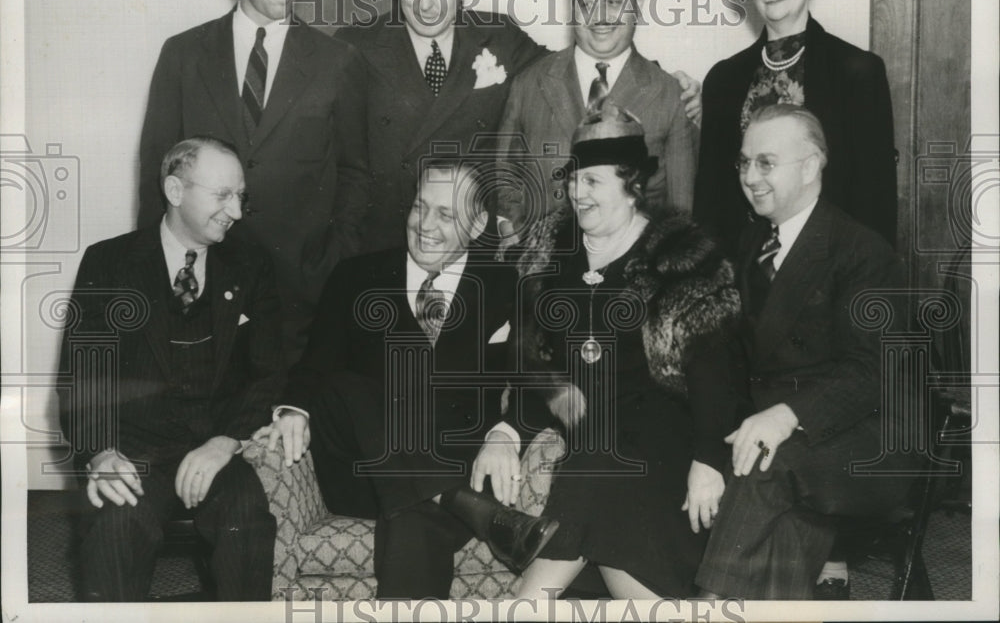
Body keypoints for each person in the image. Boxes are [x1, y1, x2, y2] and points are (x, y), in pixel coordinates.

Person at [473, 103, 742, 599]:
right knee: (595, 461)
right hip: (586, 428)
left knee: (597, 467)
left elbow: (714, 373)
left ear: (632, 184)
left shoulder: (682, 258)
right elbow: (538, 365)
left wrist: (708, 459)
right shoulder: (553, 252)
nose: (577, 193)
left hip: (663, 435)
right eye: (573, 180)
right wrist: (509, 427)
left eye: (593, 181)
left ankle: (528, 602)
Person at [261, 157, 558, 599]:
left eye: (445, 214)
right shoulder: (355, 276)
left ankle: (451, 498)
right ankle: (463, 503)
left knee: (413, 519)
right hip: (362, 471)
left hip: (461, 464)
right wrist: (293, 409)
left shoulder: (505, 284)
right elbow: (313, 367)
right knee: (344, 388)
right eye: (420, 207)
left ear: (478, 225)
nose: (425, 225)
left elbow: (542, 383)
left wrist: (506, 433)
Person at [694, 104, 914, 600]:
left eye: (766, 163)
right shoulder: (751, 243)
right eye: (744, 163)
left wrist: (787, 415)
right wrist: (706, 450)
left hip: (868, 438)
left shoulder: (862, 252)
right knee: (780, 504)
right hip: (791, 439)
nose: (750, 178)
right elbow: (725, 356)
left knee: (763, 464)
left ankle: (709, 604)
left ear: (811, 167)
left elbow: (872, 371)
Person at [137, 0, 369, 365]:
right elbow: (155, 176)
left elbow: (356, 175)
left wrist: (329, 266)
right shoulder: (183, 55)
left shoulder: (337, 62)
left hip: (301, 300)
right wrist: (156, 277)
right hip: (202, 287)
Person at [59, 137, 283, 601]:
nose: (236, 212)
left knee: (248, 523)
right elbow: (82, 377)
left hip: (215, 448)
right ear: (176, 191)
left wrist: (224, 443)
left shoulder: (252, 263)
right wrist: (101, 453)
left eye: (240, 196)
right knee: (116, 529)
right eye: (222, 195)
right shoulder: (110, 262)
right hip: (132, 450)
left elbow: (269, 371)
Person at [694, 0, 897, 258]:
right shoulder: (723, 78)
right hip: (742, 268)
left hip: (828, 266)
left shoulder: (857, 71)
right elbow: (710, 199)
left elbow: (875, 195)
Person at [336, 0, 547, 254]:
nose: (426, 5)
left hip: (474, 246)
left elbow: (563, 78)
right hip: (383, 247)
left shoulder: (500, 36)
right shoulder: (356, 46)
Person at [497, 0, 701, 242]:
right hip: (547, 272)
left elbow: (680, 215)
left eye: (614, 2)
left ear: (638, 4)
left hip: (633, 274)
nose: (600, 16)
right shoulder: (529, 84)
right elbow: (505, 179)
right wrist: (515, 240)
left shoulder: (670, 95)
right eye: (587, 3)